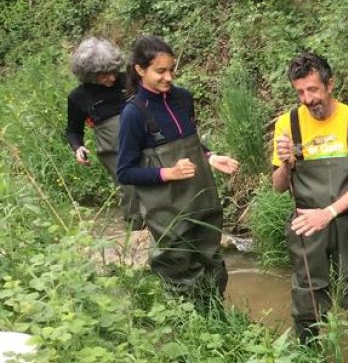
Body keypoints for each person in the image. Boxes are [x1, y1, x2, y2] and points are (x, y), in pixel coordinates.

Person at [271, 52, 348, 346]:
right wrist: (286, 164)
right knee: (306, 291)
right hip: (306, 223)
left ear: (329, 85)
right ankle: (308, 358)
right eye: (300, 92)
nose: (307, 99)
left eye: (313, 89)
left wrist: (328, 213)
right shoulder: (287, 124)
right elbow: (278, 186)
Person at [116, 35, 239, 300]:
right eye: (160, 71)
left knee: (213, 265)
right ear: (140, 70)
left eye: (171, 70)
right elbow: (125, 172)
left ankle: (217, 318)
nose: (168, 77)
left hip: (202, 201)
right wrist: (167, 173)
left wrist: (209, 157)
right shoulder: (133, 114)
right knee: (180, 274)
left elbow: (188, 140)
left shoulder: (183, 98)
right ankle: (188, 323)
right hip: (167, 213)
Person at [65, 36, 143, 229]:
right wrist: (77, 147)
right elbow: (73, 130)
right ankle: (136, 232)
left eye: (113, 71)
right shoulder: (78, 97)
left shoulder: (129, 81)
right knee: (130, 189)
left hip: (144, 142)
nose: (112, 78)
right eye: (104, 75)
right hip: (114, 154)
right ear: (89, 74)